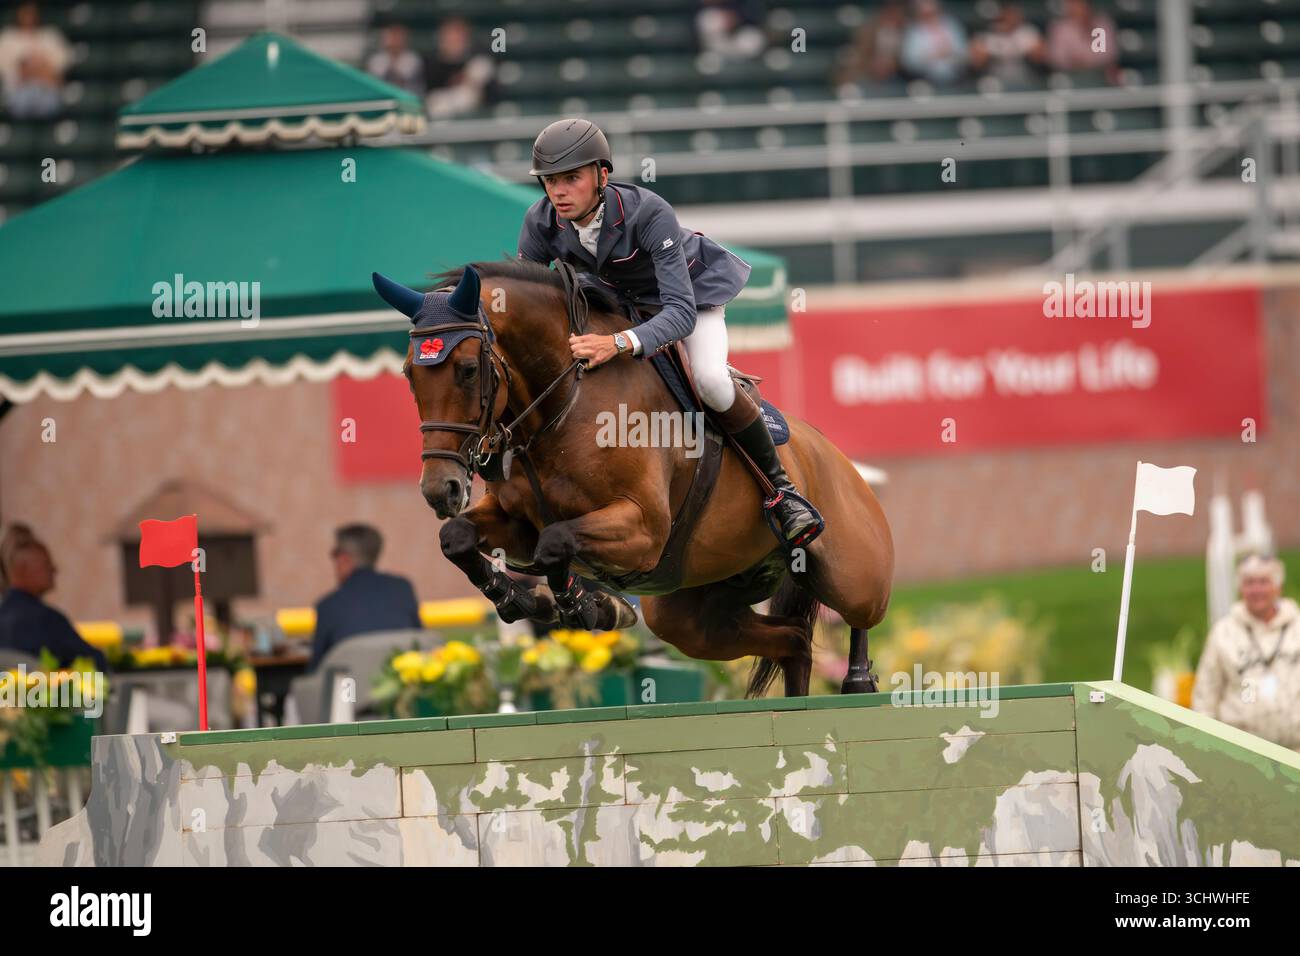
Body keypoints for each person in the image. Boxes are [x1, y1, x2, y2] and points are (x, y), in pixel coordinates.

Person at [517, 118, 823, 548]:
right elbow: (532, 302)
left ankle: (782, 493)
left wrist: (618, 343)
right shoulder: (540, 221)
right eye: (550, 181)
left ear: (602, 176)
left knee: (712, 382)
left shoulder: (648, 212)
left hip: (689, 299)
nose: (559, 192)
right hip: (621, 305)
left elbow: (679, 313)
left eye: (571, 178)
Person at [1193, 554, 1300, 752]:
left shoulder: (1296, 627)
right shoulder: (1223, 633)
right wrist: (1206, 747)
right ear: (1240, 588)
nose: (1256, 590)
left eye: (1264, 582)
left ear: (1278, 586)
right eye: (1249, 582)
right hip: (1242, 754)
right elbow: (1205, 695)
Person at [310, 524, 422, 669]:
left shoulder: (328, 606)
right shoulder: (403, 589)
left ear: (344, 558)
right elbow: (419, 645)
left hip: (351, 690)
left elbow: (316, 669)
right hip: (399, 686)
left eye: (334, 553)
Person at [0, 536, 107, 670]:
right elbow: (96, 663)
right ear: (23, 570)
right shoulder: (46, 620)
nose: (54, 570)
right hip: (49, 691)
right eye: (46, 564)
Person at [0, 2, 70, 120]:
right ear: (18, 14)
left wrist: (33, 70)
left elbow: (58, 71)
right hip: (18, 92)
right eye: (26, 13)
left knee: (49, 103)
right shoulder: (7, 38)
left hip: (48, 91)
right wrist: (37, 69)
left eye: (32, 13)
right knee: (21, 102)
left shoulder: (50, 36)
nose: (29, 17)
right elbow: (14, 73)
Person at [424, 17, 495, 119]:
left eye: (458, 35)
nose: (454, 39)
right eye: (450, 36)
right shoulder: (431, 63)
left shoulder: (480, 59)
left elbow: (490, 95)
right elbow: (430, 94)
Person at [834, 0, 907, 92]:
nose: (895, 14)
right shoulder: (869, 30)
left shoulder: (907, 31)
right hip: (868, 77)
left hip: (897, 78)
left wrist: (891, 65)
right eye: (890, 11)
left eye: (897, 11)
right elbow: (861, 53)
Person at [970, 3, 1046, 86]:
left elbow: (1040, 57)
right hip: (993, 82)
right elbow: (977, 63)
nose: (1010, 18)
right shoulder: (986, 35)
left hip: (1026, 79)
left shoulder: (1028, 32)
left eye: (1012, 15)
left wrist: (1015, 48)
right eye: (1006, 15)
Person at [900, 0, 969, 87]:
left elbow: (964, 53)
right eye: (926, 14)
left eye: (933, 13)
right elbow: (908, 61)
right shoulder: (913, 31)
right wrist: (930, 56)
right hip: (924, 80)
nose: (930, 17)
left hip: (955, 79)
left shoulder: (952, 25)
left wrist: (949, 53)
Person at [1047, 0, 1119, 83]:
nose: (1079, 9)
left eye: (1082, 5)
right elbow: (1057, 57)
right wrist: (1075, 61)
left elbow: (1108, 55)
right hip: (1070, 76)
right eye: (1075, 5)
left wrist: (1086, 60)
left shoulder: (1102, 24)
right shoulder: (1061, 28)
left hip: (1100, 76)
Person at [366, 23, 426, 98]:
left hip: (408, 97)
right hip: (381, 97)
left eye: (398, 37)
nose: (394, 41)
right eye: (392, 37)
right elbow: (374, 83)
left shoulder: (413, 58)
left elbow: (400, 80)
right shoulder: (376, 59)